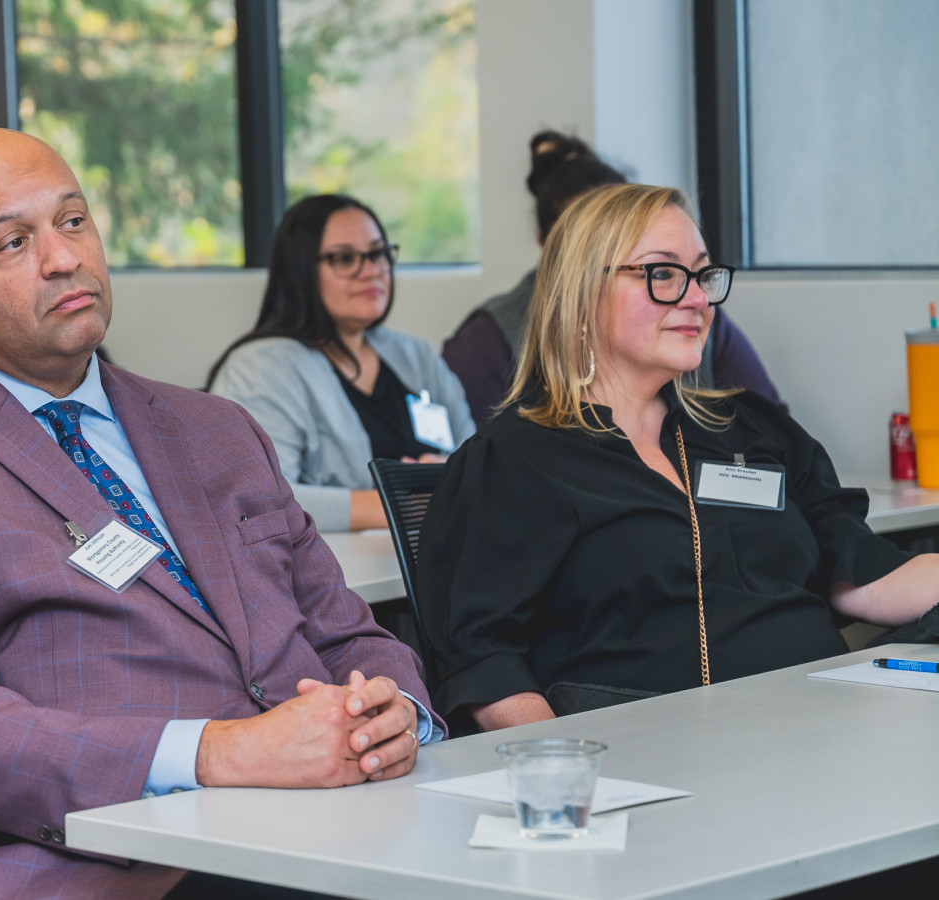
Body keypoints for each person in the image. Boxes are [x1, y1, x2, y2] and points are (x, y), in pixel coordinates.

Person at [0, 128, 440, 900]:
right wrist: (220, 754)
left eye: (73, 222)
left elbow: (347, 631)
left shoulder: (217, 430)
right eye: (12, 242)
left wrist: (391, 712)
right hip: (88, 863)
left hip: (326, 821)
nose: (64, 258)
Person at [416, 184, 939, 732]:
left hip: (820, 721)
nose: (697, 299)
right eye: (662, 274)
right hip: (651, 749)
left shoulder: (752, 427)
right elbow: (481, 658)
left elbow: (860, 571)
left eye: (703, 275)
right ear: (581, 293)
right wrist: (565, 770)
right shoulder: (511, 460)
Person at [442, 131, 782, 428]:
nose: (694, 298)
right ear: (553, 247)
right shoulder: (487, 340)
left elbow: (772, 433)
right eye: (660, 272)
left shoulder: (699, 312)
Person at [207, 194, 475, 531]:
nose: (371, 271)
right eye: (345, 259)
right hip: (331, 577)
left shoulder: (416, 356)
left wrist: (448, 479)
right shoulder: (260, 367)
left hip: (443, 558)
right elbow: (258, 500)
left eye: (378, 254)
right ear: (300, 270)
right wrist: (405, 501)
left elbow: (478, 466)